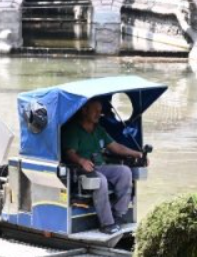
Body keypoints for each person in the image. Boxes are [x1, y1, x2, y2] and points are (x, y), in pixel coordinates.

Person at [61, 96, 146, 233]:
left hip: (100, 166)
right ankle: (107, 224)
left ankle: (117, 214)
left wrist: (138, 154)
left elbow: (116, 147)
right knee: (101, 180)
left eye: (100, 111)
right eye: (95, 110)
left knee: (125, 172)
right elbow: (69, 153)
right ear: (84, 110)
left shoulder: (99, 129)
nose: (98, 114)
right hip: (82, 170)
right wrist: (81, 161)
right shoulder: (74, 130)